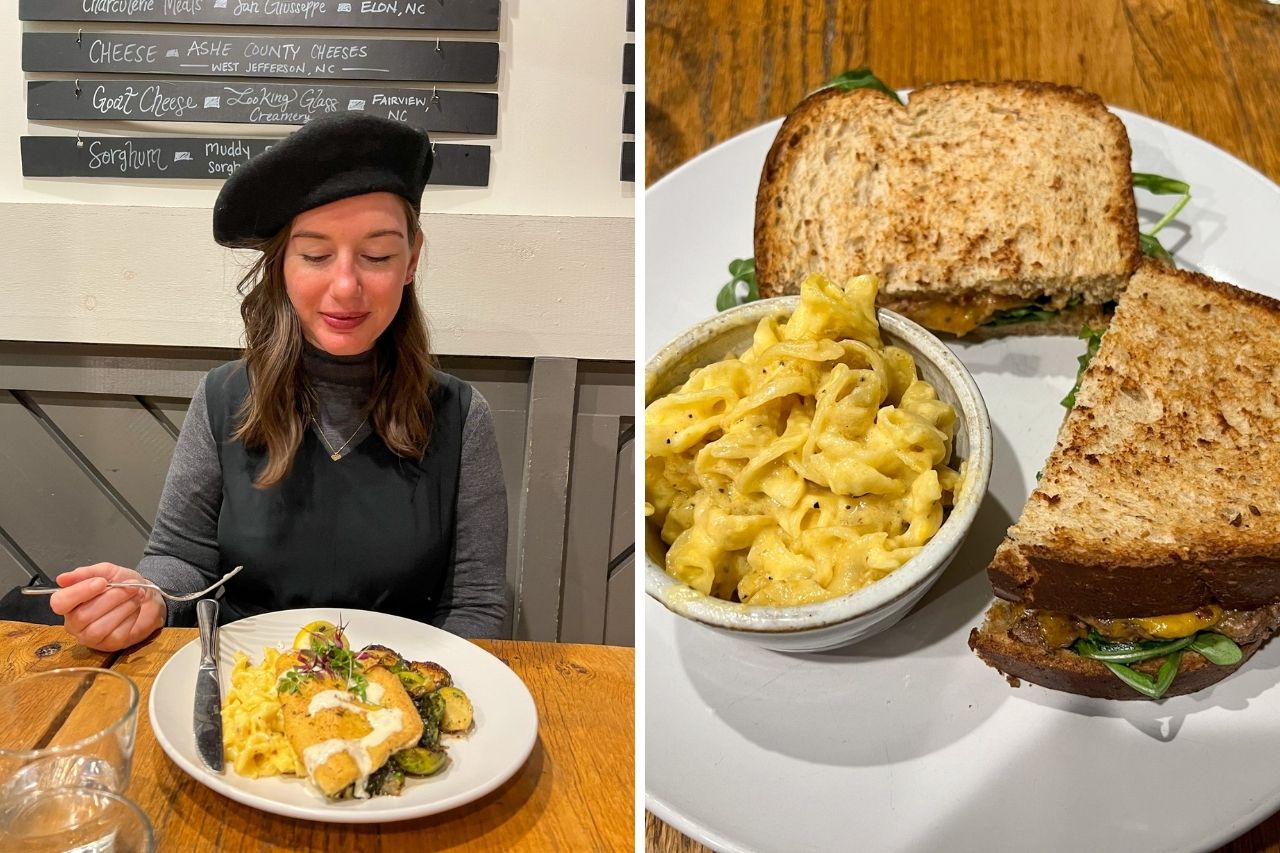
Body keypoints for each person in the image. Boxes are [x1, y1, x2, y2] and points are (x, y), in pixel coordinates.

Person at [49, 115, 508, 650]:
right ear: (282, 265)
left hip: (400, 696)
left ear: (411, 260)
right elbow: (180, 558)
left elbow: (476, 604)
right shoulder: (222, 398)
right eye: (314, 255)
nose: (345, 285)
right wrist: (148, 594)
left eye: (377, 255)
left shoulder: (460, 413)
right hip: (250, 686)